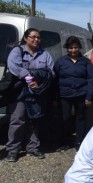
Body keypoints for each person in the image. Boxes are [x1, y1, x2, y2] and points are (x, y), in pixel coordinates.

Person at [5, 28, 55, 162]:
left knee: (34, 119)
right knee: (17, 119)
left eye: (38, 37)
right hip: (20, 92)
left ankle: (33, 147)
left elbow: (51, 71)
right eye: (33, 37)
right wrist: (29, 78)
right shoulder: (17, 51)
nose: (36, 39)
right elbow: (14, 67)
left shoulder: (44, 54)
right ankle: (13, 150)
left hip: (37, 92)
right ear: (26, 38)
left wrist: (41, 80)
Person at [54, 36, 93, 151]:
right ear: (67, 49)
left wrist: (89, 97)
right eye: (71, 48)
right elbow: (55, 79)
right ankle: (64, 142)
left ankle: (79, 142)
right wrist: (54, 97)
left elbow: (92, 80)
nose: (73, 50)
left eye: (76, 47)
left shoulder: (85, 62)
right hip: (64, 96)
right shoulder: (61, 61)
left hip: (81, 95)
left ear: (79, 48)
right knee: (65, 119)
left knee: (81, 119)